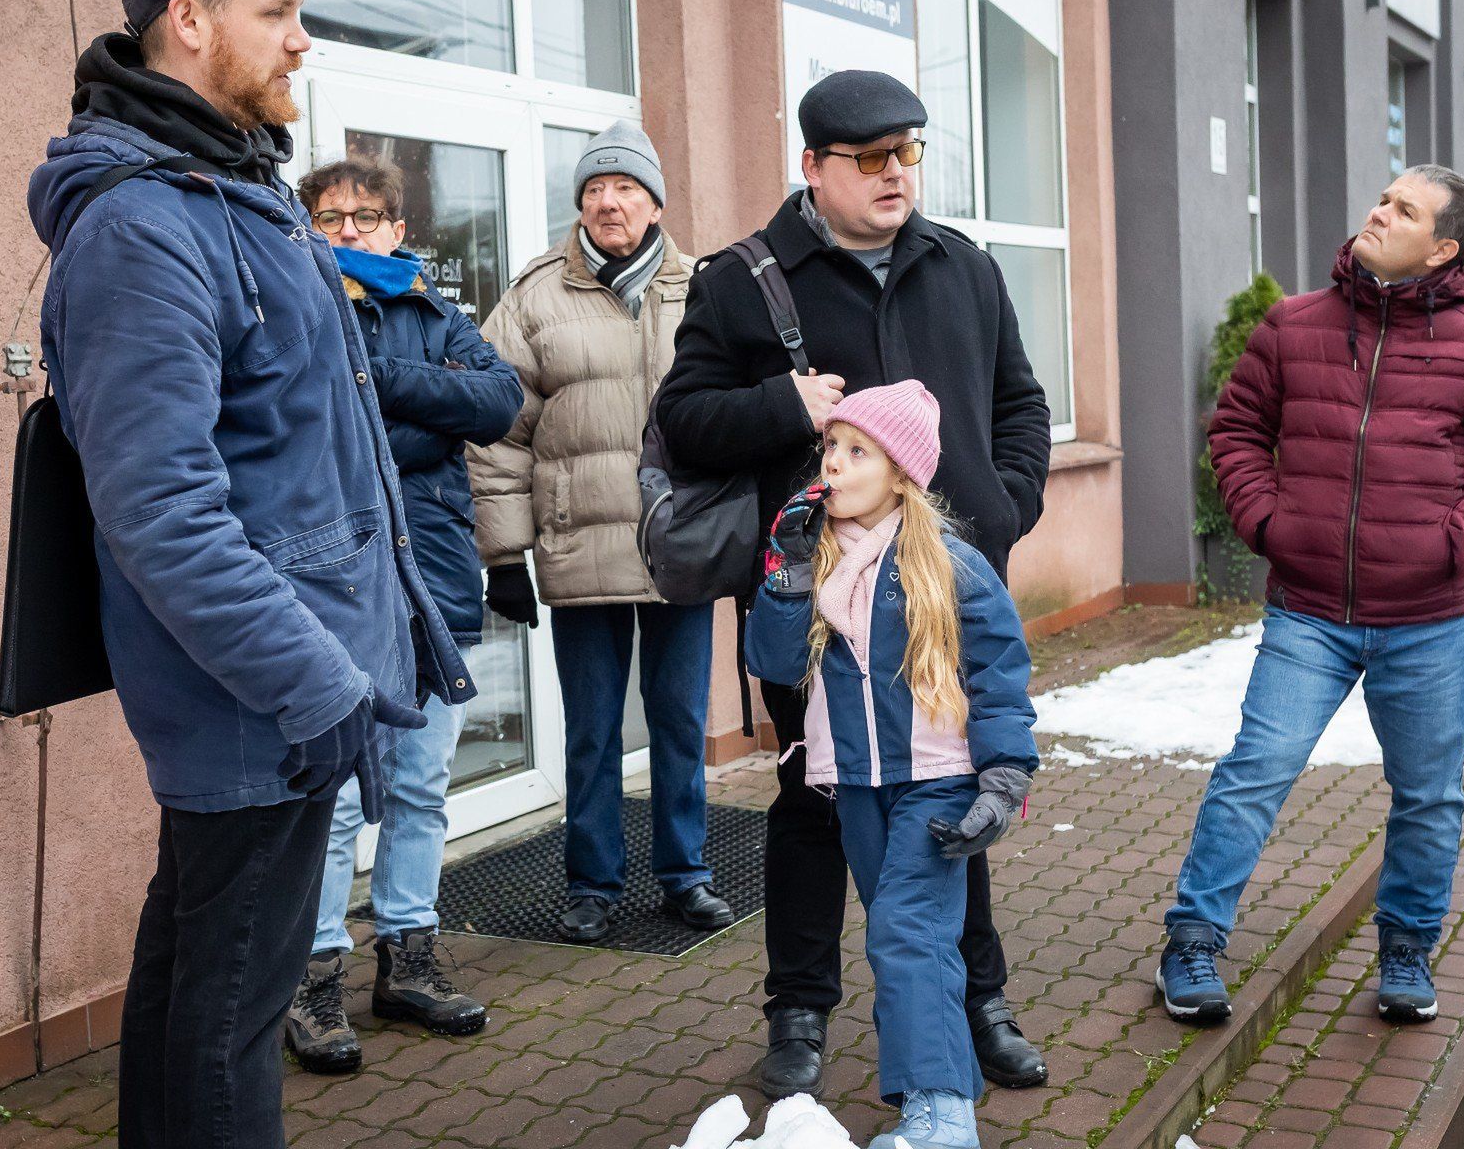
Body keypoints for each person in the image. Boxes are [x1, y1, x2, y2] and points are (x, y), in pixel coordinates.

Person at [26, 0, 472, 1146]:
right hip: (261, 697)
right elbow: (159, 509)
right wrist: (318, 684)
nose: (299, 41)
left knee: (193, 986)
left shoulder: (233, 191)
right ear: (187, 20)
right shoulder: (142, 226)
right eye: (275, 13)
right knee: (231, 1024)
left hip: (279, 683)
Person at [653, 70, 1052, 1095]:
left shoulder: (962, 264)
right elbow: (685, 419)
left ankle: (980, 999)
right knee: (810, 797)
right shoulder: (742, 279)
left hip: (942, 593)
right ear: (813, 167)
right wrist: (783, 405)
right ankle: (798, 1013)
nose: (895, 175)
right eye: (871, 158)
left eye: (909, 153)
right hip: (812, 605)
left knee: (951, 793)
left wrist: (1005, 507)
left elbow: (1018, 398)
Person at [1161, 165, 1464, 1027]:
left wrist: (1455, 542)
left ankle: (1407, 950)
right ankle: (1192, 939)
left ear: (1442, 247)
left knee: (1428, 793)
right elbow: (1236, 429)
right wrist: (1269, 523)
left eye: (1404, 210)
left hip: (1428, 623)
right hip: (1307, 611)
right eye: (1384, 198)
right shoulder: (1294, 325)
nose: (1379, 212)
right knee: (1253, 773)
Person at [744, 381, 1039, 1149]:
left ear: (901, 472)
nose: (832, 466)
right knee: (907, 938)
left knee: (906, 933)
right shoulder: (819, 556)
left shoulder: (951, 564)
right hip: (854, 788)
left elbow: (999, 672)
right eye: (829, 448)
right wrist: (785, 570)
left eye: (856, 451)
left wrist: (1004, 779)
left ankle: (940, 1116)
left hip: (935, 780)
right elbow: (771, 662)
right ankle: (937, 1093)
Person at [282, 155, 523, 1072]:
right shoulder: (294, 310)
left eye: (367, 217)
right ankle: (314, 979)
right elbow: (313, 430)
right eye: (332, 217)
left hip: (434, 591)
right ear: (308, 228)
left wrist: (376, 381)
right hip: (337, 599)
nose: (349, 231)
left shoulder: (432, 314)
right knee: (338, 803)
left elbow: (497, 401)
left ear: (397, 230)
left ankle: (408, 959)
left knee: (422, 787)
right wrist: (427, 418)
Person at [468, 120, 734, 943]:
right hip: (578, 544)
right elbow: (495, 428)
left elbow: (739, 413)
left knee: (681, 719)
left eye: (624, 187)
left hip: (678, 544)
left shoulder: (708, 288)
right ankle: (592, 883)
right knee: (589, 730)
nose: (607, 202)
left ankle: (686, 874)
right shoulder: (535, 294)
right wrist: (504, 552)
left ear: (655, 201)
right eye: (593, 189)